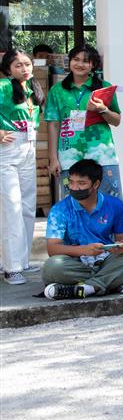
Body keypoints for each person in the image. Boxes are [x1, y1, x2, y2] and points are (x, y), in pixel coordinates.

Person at [41, 159, 123, 300]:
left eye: (81, 183)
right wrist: (85, 250)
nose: (75, 188)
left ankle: (90, 287)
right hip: (75, 262)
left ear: (96, 184)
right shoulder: (59, 209)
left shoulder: (115, 204)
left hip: (105, 260)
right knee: (52, 267)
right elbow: (53, 249)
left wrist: (121, 246)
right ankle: (112, 281)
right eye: (71, 182)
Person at [45, 44, 122, 200]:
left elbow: (116, 120)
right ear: (69, 61)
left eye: (86, 61)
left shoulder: (104, 88)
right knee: (73, 200)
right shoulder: (57, 90)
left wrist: (103, 109)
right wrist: (53, 158)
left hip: (103, 155)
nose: (80, 64)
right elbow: (53, 124)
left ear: (93, 65)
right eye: (76, 59)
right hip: (69, 155)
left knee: (109, 200)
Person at [1, 49, 44, 285]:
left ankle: (22, 260)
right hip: (7, 149)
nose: (24, 68)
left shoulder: (31, 89)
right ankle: (12, 267)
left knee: (27, 206)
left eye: (27, 64)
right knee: (12, 208)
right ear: (8, 69)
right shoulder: (3, 87)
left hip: (29, 146)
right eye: (18, 65)